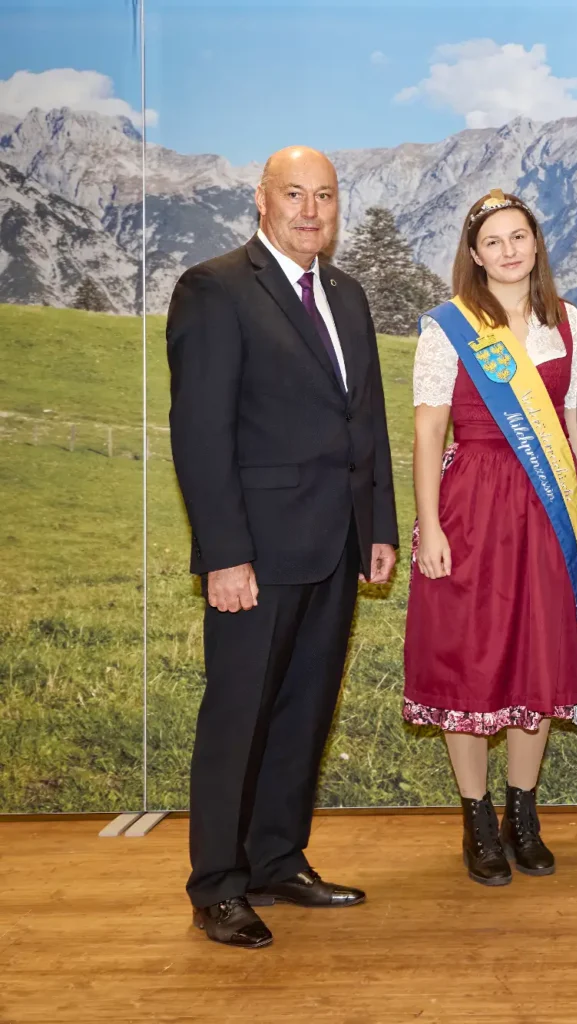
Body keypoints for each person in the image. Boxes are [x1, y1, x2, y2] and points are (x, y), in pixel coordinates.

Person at [167, 146, 398, 949]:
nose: (310, 210)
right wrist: (223, 554)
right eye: (294, 194)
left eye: (324, 196)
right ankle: (218, 886)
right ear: (260, 200)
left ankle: (276, 858)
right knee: (239, 716)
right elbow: (199, 435)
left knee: (304, 711)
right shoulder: (216, 288)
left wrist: (379, 528)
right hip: (256, 554)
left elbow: (363, 421)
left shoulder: (346, 293)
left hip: (334, 543)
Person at [403, 190, 577, 886]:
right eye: (495, 241)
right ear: (476, 254)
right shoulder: (449, 327)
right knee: (470, 656)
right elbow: (429, 431)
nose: (510, 250)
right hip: (473, 504)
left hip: (546, 508)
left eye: (520, 236)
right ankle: (478, 819)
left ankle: (524, 813)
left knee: (536, 654)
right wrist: (428, 524)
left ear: (536, 244)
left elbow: (575, 430)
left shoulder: (568, 323)